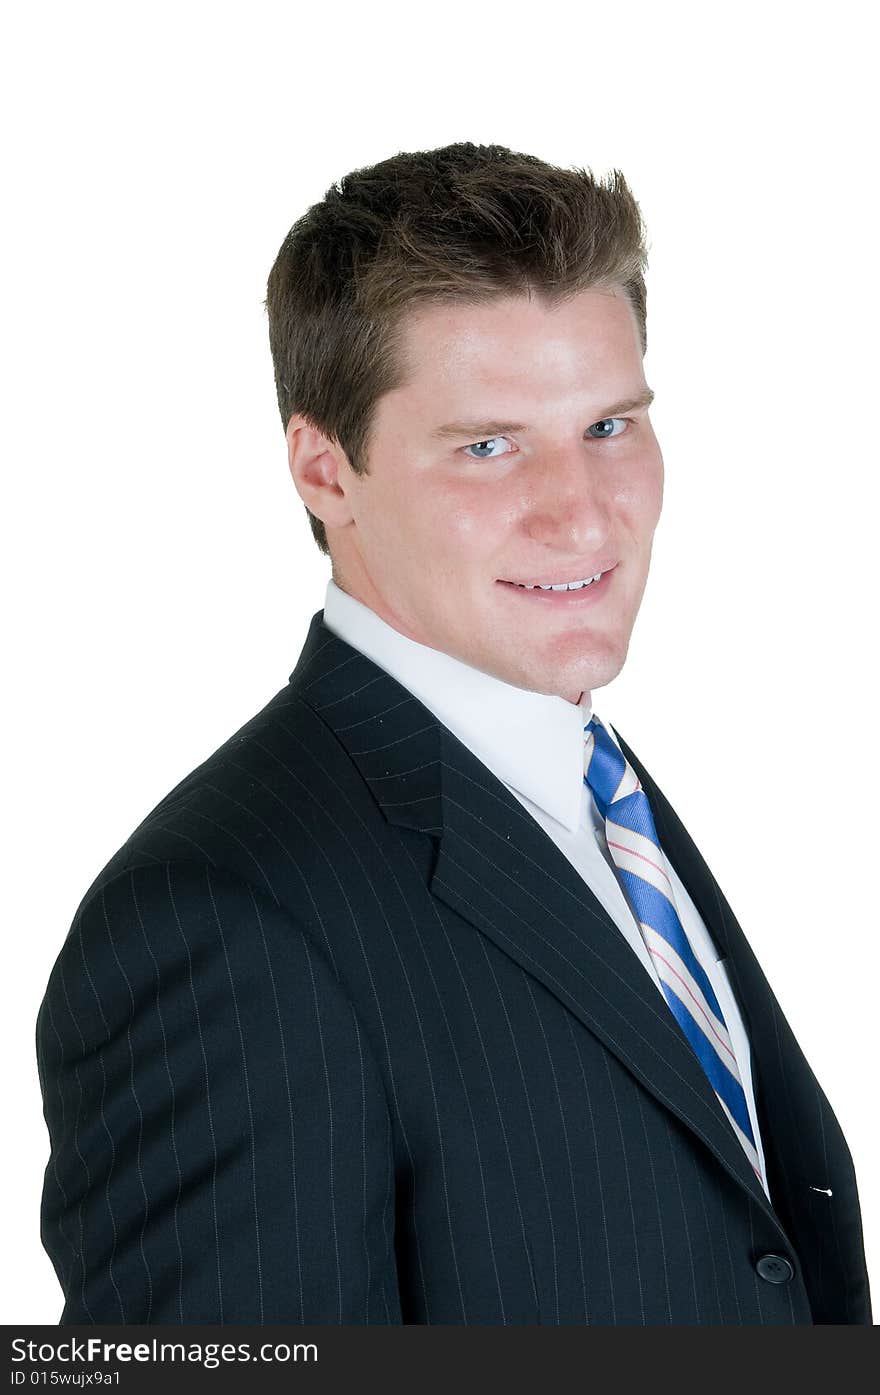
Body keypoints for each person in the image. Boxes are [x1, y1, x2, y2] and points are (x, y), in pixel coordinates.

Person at [36, 141, 872, 1326]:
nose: (581, 511)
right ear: (326, 470)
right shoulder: (219, 921)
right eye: (487, 445)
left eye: (608, 425)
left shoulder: (585, 781)